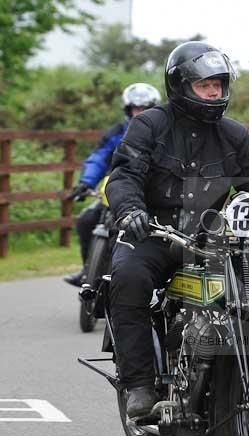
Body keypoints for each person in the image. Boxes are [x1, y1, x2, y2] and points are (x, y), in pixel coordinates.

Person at [104, 41, 249, 418]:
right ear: (180, 86)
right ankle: (140, 383)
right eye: (205, 85)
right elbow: (124, 175)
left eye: (219, 84)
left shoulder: (235, 135)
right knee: (128, 277)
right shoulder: (149, 125)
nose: (214, 93)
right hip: (154, 233)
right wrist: (130, 210)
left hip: (211, 240)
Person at [62, 83, 162, 287]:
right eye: (136, 108)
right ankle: (87, 271)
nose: (140, 113)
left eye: (145, 109)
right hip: (115, 191)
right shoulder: (117, 132)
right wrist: (85, 183)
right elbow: (98, 158)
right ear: (128, 110)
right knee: (85, 220)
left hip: (147, 196)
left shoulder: (162, 132)